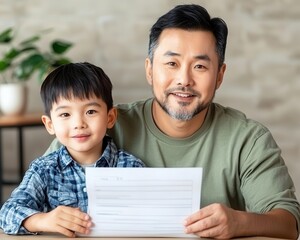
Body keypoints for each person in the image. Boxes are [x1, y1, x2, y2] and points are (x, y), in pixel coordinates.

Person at [45, 4, 299, 239]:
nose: (184, 80)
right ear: (149, 70)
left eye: (200, 66)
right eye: (171, 63)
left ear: (220, 75)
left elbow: (289, 223)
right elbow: (28, 206)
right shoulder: (99, 125)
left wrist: (239, 223)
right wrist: (46, 219)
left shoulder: (248, 139)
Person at [0, 62, 145, 237]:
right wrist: (43, 220)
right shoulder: (44, 170)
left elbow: (155, 214)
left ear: (110, 117)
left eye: (90, 111)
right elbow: (7, 213)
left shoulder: (131, 168)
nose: (78, 124)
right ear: (50, 124)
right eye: (65, 114)